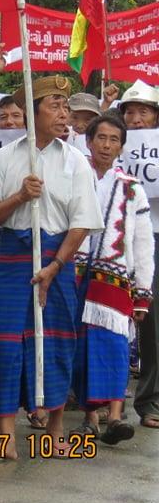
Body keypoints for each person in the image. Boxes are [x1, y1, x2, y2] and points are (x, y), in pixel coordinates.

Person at [0, 75, 103, 462]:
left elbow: (81, 222)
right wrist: (20, 196)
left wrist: (56, 264)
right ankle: (5, 435)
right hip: (13, 254)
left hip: (58, 257)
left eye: (66, 107)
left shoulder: (75, 162)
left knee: (58, 338)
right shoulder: (5, 158)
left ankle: (55, 429)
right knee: (7, 342)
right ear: (34, 113)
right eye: (55, 106)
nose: (64, 114)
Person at [71, 114, 153, 444]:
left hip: (115, 282)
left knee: (116, 348)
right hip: (75, 277)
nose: (106, 145)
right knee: (82, 348)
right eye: (101, 138)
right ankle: (90, 418)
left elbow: (143, 243)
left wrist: (143, 293)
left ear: (121, 146)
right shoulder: (74, 178)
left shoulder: (132, 189)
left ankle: (116, 417)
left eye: (114, 139)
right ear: (88, 142)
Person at [118, 80, 159, 431]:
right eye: (129, 112)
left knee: (154, 322)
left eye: (143, 112)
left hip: (154, 235)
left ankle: (149, 399)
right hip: (120, 239)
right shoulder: (112, 145)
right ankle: (125, 400)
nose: (135, 119)